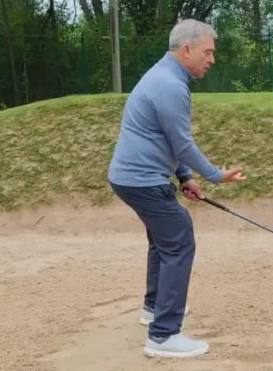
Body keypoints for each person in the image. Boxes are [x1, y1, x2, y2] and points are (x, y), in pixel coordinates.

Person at [107, 18, 246, 358]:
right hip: (141, 179)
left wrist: (184, 177)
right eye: (208, 52)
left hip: (134, 177)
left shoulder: (164, 76)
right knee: (179, 238)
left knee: (164, 240)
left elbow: (166, 140)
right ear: (187, 50)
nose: (211, 60)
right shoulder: (170, 85)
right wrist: (214, 175)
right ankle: (163, 335)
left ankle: (154, 309)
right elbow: (182, 143)